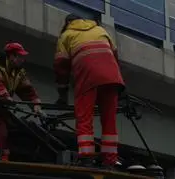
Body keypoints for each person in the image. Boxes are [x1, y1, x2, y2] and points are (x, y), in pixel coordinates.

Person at [54, 14, 125, 168]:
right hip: (111, 77)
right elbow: (115, 56)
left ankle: (86, 157)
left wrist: (63, 94)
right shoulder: (100, 30)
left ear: (67, 23)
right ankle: (110, 160)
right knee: (109, 120)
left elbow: (61, 67)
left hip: (88, 77)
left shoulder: (66, 35)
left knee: (84, 118)